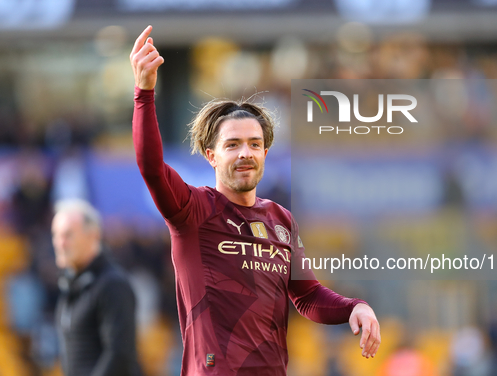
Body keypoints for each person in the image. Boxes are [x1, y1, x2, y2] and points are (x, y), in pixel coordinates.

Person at [130, 25, 380, 376]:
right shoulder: (193, 211)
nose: (245, 153)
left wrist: (356, 307)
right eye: (232, 145)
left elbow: (307, 296)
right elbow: (151, 167)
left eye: (254, 144)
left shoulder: (281, 220)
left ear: (265, 152)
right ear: (211, 155)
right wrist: (144, 92)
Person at [51, 199, 143, 376]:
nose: (59, 243)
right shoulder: (71, 286)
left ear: (93, 235)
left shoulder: (113, 285)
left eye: (68, 235)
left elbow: (119, 355)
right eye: (56, 235)